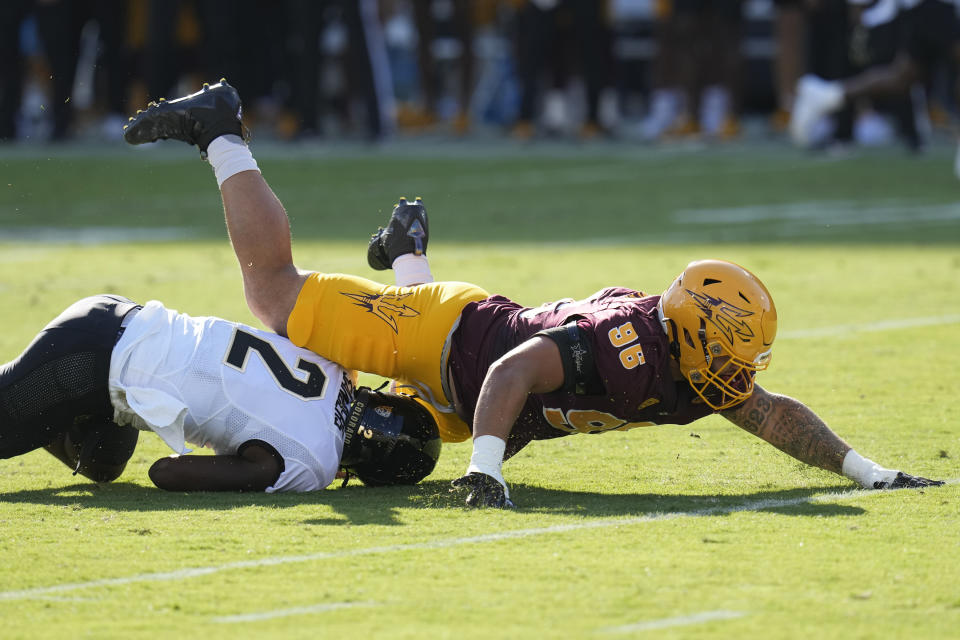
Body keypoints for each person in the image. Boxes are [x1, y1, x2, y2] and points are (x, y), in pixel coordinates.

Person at [122, 81, 944, 507]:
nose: (735, 374)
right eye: (727, 352)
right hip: (447, 339)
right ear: (691, 334)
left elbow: (770, 413)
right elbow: (513, 372)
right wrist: (486, 473)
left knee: (395, 443)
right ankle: (222, 128)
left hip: (470, 384)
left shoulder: (693, 364)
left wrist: (870, 473)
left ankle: (410, 252)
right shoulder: (626, 340)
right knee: (275, 295)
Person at [0, 293, 442, 493]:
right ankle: (34, 410)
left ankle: (43, 412)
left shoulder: (339, 365)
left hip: (121, 318)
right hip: (89, 363)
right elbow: (165, 473)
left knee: (100, 460)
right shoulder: (315, 462)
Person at [790, 0, 960, 153]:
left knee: (903, 76)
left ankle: (829, 94)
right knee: (902, 74)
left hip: (920, 8)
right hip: (938, 7)